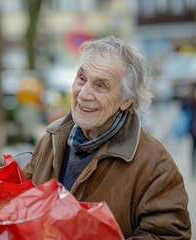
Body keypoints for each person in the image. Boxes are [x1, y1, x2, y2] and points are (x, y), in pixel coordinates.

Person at [22, 35, 191, 238]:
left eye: (100, 86)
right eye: (82, 79)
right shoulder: (52, 138)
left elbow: (168, 235)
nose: (84, 93)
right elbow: (22, 201)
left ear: (126, 100)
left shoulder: (156, 166)